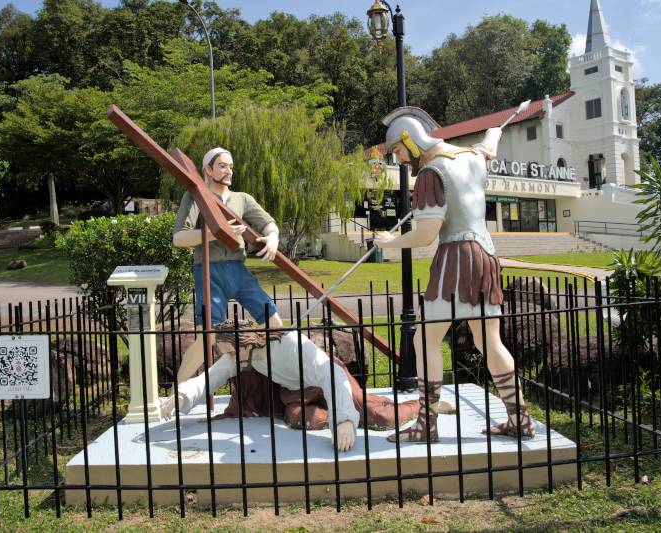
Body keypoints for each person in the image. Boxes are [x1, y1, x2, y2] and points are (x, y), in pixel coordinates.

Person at [374, 106, 535, 443]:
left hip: (456, 259)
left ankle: (426, 425)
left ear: (410, 139)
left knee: (425, 340)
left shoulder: (431, 173)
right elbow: (489, 145)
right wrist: (493, 133)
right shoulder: (472, 157)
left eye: (398, 151)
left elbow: (426, 235)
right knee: (489, 341)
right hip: (486, 255)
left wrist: (391, 242)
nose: (399, 159)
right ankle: (520, 420)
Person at [160, 319, 359, 452]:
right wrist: (181, 396)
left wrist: (344, 420)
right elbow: (211, 377)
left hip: (332, 381)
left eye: (230, 352)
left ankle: (348, 414)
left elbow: (332, 373)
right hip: (297, 393)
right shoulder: (240, 356)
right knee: (301, 418)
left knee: (371, 412)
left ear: (246, 344)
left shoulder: (290, 345)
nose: (228, 358)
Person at [172, 147, 283, 382]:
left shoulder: (243, 199)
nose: (229, 171)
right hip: (209, 271)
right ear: (208, 169)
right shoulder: (195, 196)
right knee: (207, 336)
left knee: (273, 323)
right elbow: (179, 238)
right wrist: (217, 233)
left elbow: (268, 223)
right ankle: (177, 391)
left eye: (231, 166)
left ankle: (275, 380)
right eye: (222, 166)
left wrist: (273, 237)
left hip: (239, 271)